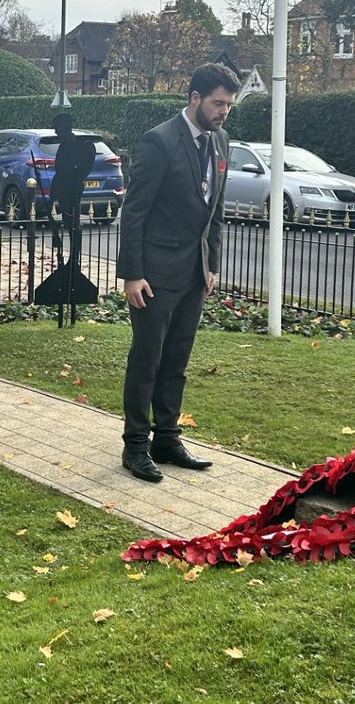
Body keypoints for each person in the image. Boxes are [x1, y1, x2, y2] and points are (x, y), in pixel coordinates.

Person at [117, 62, 240, 483]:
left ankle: (167, 439)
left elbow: (215, 209)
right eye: (218, 103)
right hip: (153, 275)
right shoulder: (160, 141)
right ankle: (136, 446)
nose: (224, 111)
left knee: (177, 361)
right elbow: (134, 212)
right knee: (147, 361)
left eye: (229, 105)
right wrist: (132, 274)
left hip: (193, 274)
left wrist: (212, 264)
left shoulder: (221, 141)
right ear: (195, 98)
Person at [48, 113, 96, 227]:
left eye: (57, 128)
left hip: (70, 187)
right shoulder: (66, 144)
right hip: (66, 185)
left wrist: (56, 191)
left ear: (64, 128)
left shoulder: (73, 145)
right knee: (69, 219)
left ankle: (74, 237)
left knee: (71, 220)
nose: (55, 132)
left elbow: (65, 170)